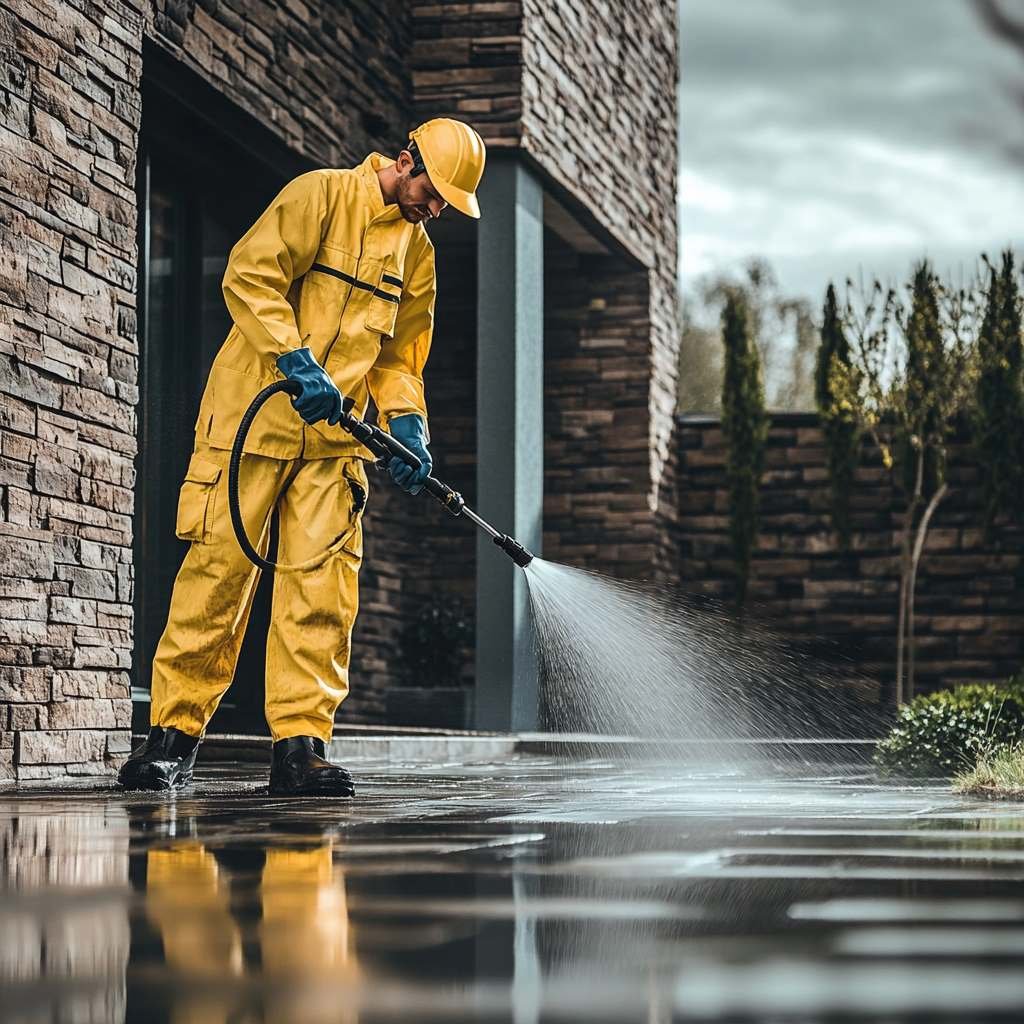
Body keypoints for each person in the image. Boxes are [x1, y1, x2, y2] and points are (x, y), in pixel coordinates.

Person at [118, 118, 487, 796]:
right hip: (249, 425)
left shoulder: (418, 254)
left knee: (321, 596)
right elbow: (250, 275)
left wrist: (408, 423)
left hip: (333, 448)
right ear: (406, 161)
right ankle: (172, 739)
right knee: (216, 581)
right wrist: (295, 358)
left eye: (444, 205)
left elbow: (403, 356)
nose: (435, 210)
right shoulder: (319, 196)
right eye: (433, 193)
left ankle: (301, 749)